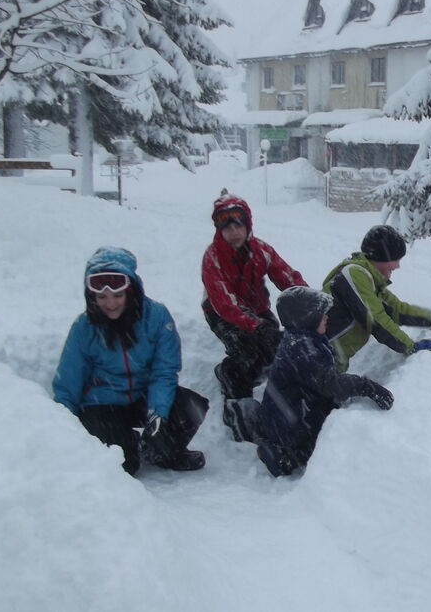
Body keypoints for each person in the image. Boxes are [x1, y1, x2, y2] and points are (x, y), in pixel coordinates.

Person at [53, 247, 208, 475]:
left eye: (117, 295)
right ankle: (129, 446)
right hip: (102, 404)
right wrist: (64, 432)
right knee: (124, 467)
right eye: (102, 297)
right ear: (92, 296)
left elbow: (164, 372)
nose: (110, 303)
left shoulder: (156, 317)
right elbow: (68, 383)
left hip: (143, 397)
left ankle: (162, 452)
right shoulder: (83, 328)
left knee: (190, 407)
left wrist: (158, 413)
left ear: (131, 291)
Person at [201, 192, 308, 442]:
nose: (234, 233)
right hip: (221, 313)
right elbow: (224, 303)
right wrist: (255, 327)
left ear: (248, 225)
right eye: (226, 227)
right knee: (246, 352)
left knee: (276, 350)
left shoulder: (261, 250)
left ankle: (285, 398)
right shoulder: (213, 258)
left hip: (257, 308)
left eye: (239, 225)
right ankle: (233, 386)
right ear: (219, 229)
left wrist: (308, 302)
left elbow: (287, 276)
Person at [255, 286, 394, 476]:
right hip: (289, 421)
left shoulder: (305, 338)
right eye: (322, 315)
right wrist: (366, 386)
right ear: (307, 319)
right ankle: (279, 454)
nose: (327, 317)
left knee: (327, 417)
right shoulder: (300, 348)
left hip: (297, 407)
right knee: (311, 451)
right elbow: (329, 383)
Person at [322, 224, 431, 372]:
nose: (397, 266)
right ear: (381, 257)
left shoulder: (371, 280)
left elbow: (397, 310)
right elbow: (375, 319)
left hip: (333, 361)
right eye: (395, 260)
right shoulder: (354, 275)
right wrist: (410, 346)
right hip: (319, 356)